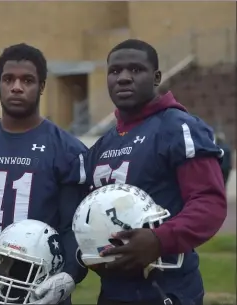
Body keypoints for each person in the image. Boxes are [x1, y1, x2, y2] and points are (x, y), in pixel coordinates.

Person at [83, 39, 227, 305]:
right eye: (115, 71)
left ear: (157, 77)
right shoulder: (104, 143)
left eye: (136, 70)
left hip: (166, 288)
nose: (124, 78)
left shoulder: (178, 127)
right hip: (114, 288)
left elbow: (209, 203)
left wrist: (159, 240)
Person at [0, 43, 89, 305]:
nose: (16, 87)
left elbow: (74, 228)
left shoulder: (67, 150)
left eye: (27, 80)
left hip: (44, 290)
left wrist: (70, 275)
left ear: (41, 86)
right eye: (8, 79)